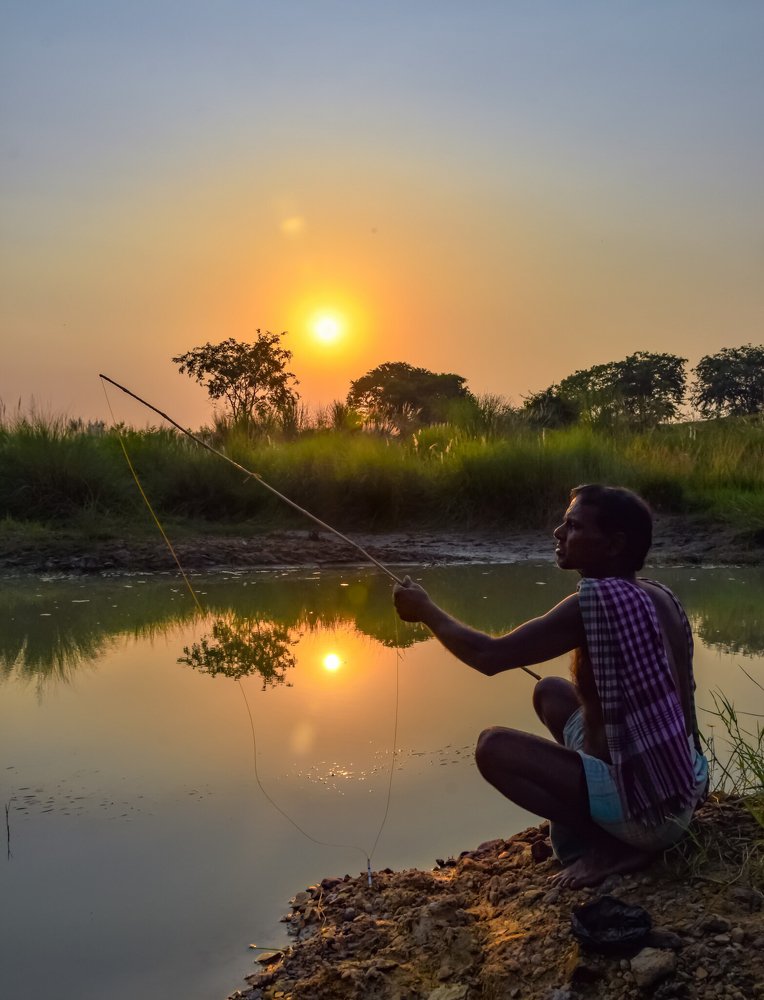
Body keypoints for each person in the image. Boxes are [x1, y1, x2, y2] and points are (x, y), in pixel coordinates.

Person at [393, 484, 708, 888]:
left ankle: (613, 845)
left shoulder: (594, 604)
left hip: (649, 812)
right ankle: (603, 808)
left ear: (613, 545)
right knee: (550, 691)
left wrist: (426, 611)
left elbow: (489, 656)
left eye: (573, 526)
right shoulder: (654, 595)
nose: (559, 533)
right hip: (682, 781)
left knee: (493, 748)